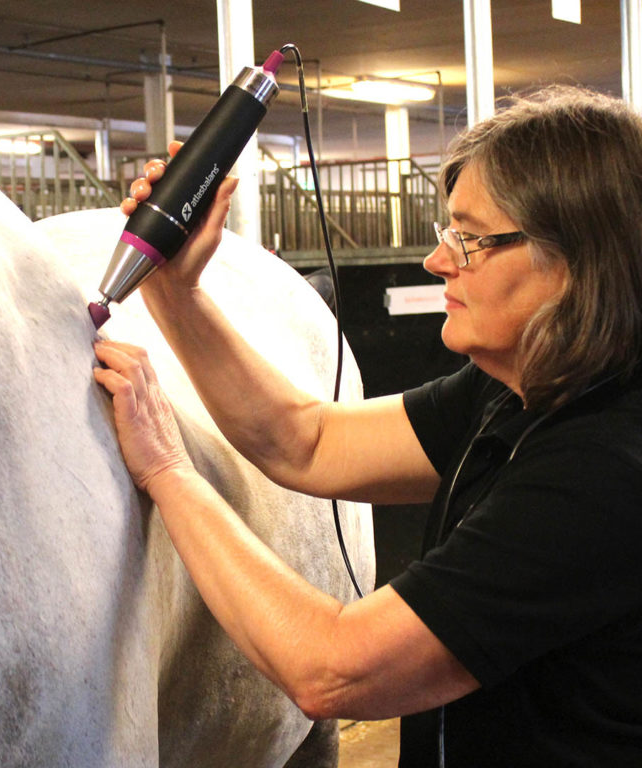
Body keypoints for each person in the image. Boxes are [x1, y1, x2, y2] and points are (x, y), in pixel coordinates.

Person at [92, 85, 642, 767]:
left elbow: (332, 667)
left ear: (574, 264)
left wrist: (167, 471)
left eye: (469, 240)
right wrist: (175, 290)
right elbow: (307, 442)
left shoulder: (603, 469)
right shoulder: (519, 388)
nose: (438, 261)